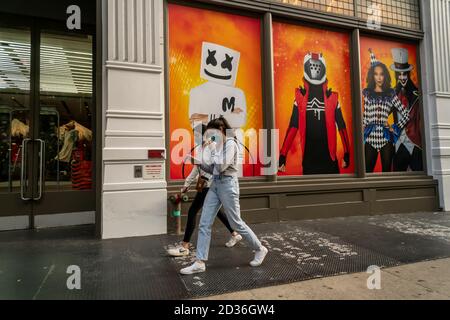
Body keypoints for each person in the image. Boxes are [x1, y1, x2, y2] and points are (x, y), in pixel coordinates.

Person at [180, 117, 268, 275]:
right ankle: (199, 262)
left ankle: (260, 248)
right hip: (215, 185)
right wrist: (198, 162)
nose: (209, 137)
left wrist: (210, 153)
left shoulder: (231, 145)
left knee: (236, 223)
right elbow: (211, 169)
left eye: (212, 133)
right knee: (204, 222)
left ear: (221, 130)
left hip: (228, 185)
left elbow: (220, 167)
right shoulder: (219, 145)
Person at [167, 124, 242, 257]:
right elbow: (197, 166)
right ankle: (235, 233)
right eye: (194, 135)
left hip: (210, 184)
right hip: (205, 184)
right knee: (217, 212)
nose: (195, 138)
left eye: (197, 135)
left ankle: (185, 246)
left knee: (192, 211)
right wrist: (186, 184)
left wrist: (205, 178)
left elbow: (217, 167)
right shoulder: (201, 147)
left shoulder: (213, 146)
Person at [278, 52, 351, 175]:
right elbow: (293, 126)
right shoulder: (299, 98)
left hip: (329, 159)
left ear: (323, 68)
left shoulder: (333, 98)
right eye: (312, 66)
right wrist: (283, 155)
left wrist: (347, 152)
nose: (315, 69)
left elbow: (342, 126)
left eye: (317, 66)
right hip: (309, 160)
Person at [363, 49, 410, 173]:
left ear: (385, 76)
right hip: (371, 137)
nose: (379, 77)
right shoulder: (367, 94)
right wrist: (363, 124)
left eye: (381, 74)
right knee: (367, 171)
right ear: (372, 76)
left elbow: (406, 114)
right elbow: (365, 116)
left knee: (387, 172)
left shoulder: (390, 94)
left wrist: (395, 127)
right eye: (376, 74)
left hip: (386, 138)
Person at [390, 48, 423, 172]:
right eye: (399, 74)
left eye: (405, 74)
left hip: (415, 143)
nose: (402, 77)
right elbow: (383, 113)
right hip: (399, 143)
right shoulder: (392, 94)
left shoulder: (417, 94)